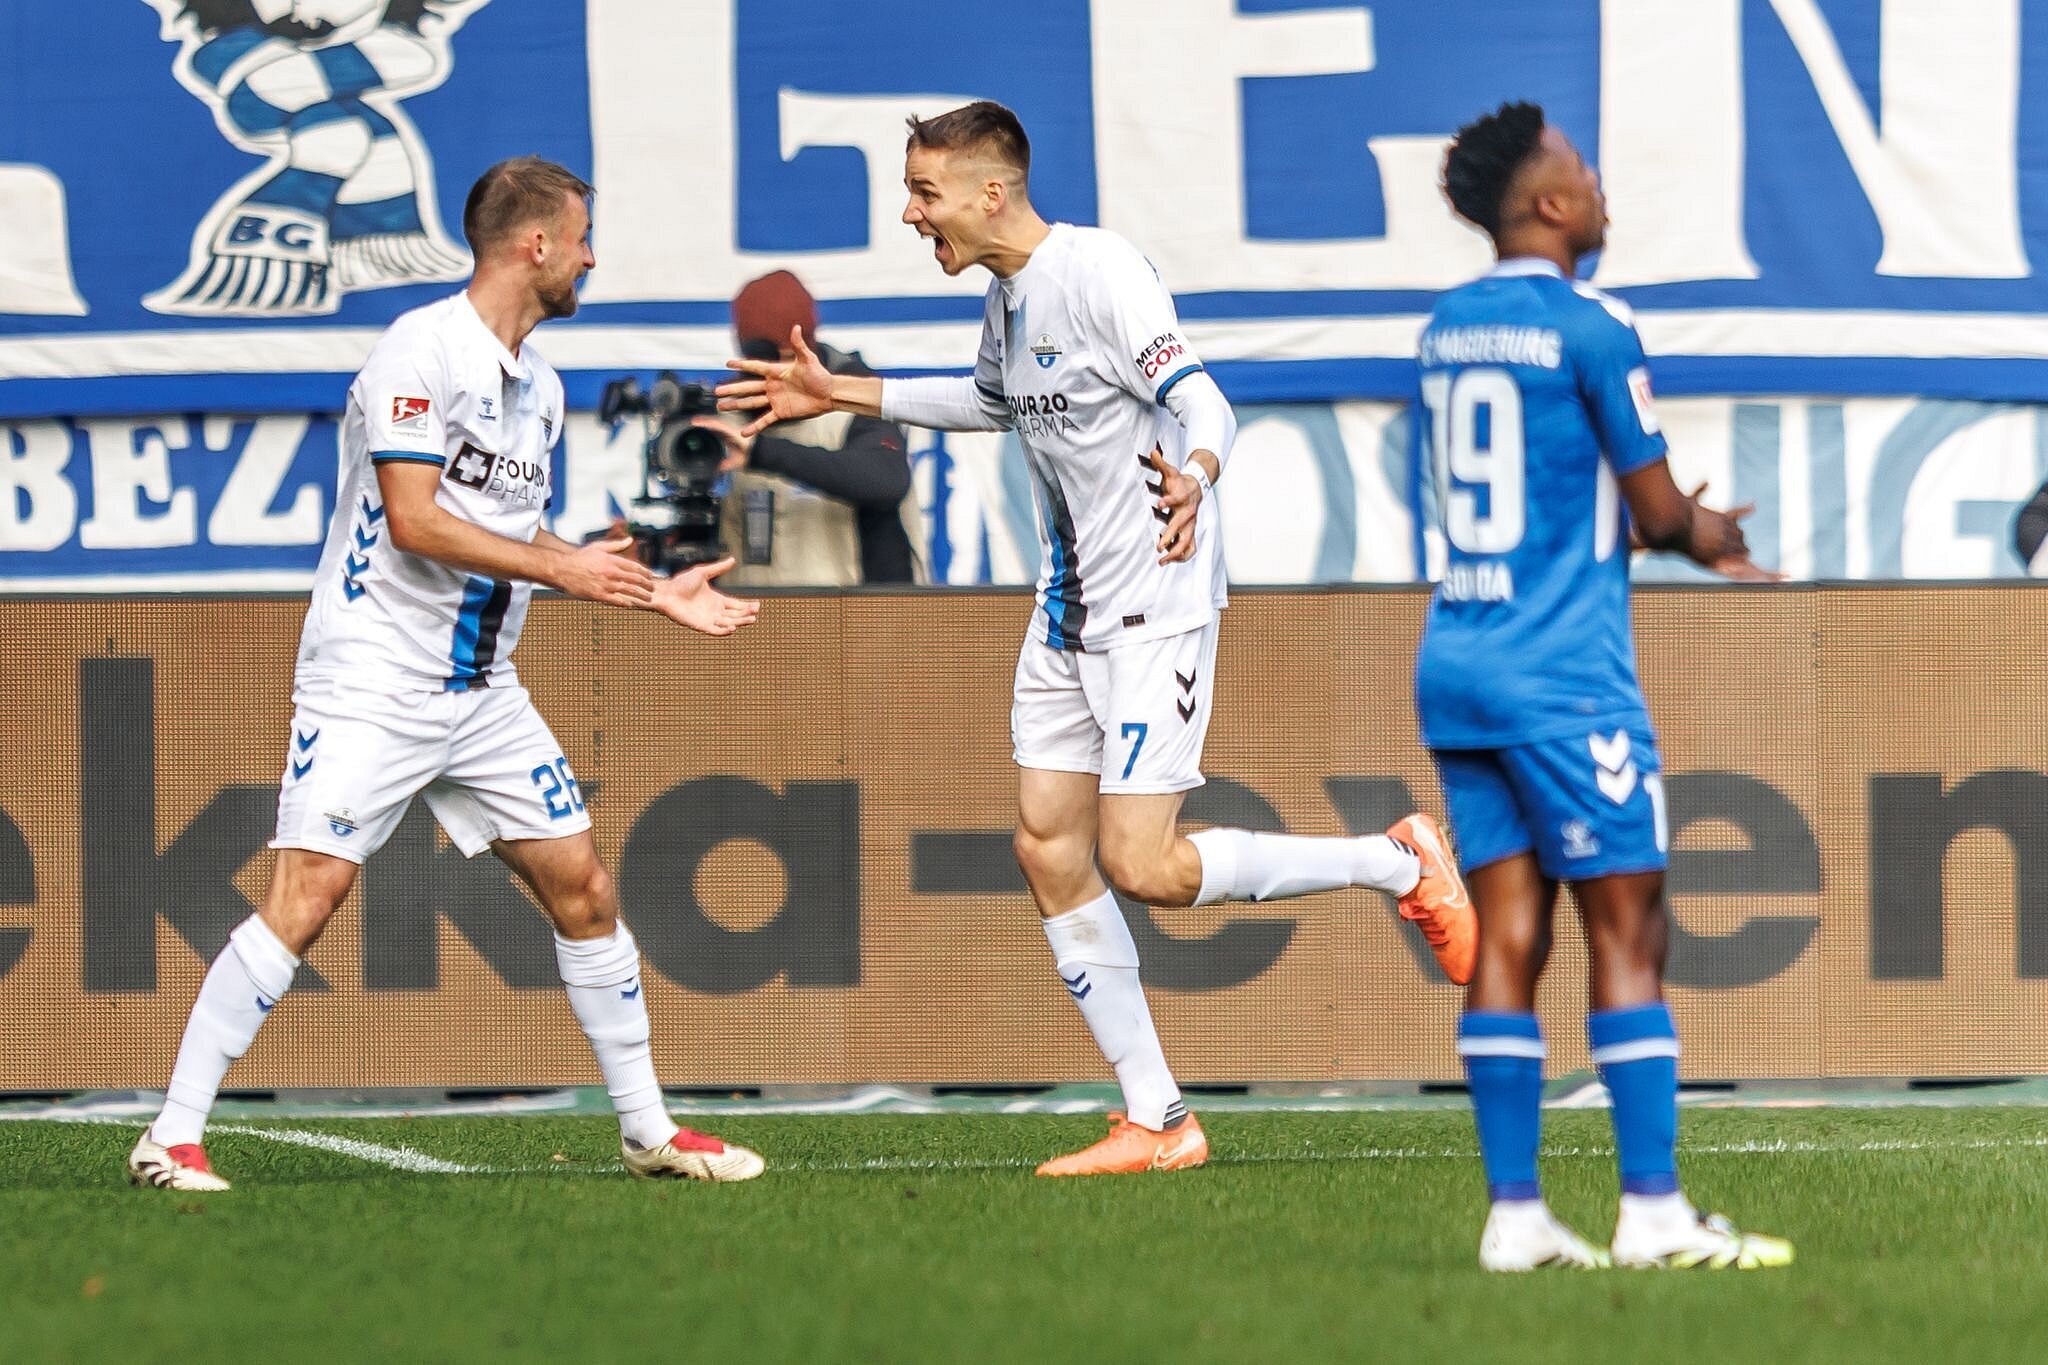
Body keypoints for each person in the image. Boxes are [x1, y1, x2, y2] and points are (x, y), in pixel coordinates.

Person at [718, 101, 1477, 1177]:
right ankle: (1158, 1119)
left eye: (923, 193)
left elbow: (1202, 399)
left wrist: (1196, 477)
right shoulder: (1006, 297)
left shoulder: (1100, 272)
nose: (908, 213)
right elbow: (990, 402)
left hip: (1152, 607)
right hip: (1065, 613)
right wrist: (835, 387)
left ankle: (1391, 861)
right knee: (1045, 845)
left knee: (1144, 866)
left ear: (991, 192)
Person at [128, 156, 765, 1193]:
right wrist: (564, 565)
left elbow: (517, 534)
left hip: (481, 692)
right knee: (309, 895)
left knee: (585, 886)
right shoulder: (418, 351)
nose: (592, 256)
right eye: (583, 237)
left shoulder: (543, 388)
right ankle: (174, 1132)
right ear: (536, 245)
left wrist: (651, 590)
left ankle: (647, 1129)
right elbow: (420, 522)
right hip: (373, 677)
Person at [1417, 102, 1792, 1270]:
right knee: (1629, 929)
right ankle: (1651, 1214)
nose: (1596, 186)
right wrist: (1707, 531)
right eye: (1579, 169)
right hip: (1563, 677)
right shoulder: (1592, 326)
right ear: (1547, 203)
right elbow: (1651, 507)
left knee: (1508, 938)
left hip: (1458, 661)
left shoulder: (1441, 330)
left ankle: (1515, 1219)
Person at [690, 270, 923, 586]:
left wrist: (762, 452)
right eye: (767, 357)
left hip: (859, 623)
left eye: (789, 355)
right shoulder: (727, 412)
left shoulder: (858, 397)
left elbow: (886, 478)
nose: (781, 370)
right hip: (749, 623)